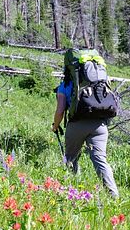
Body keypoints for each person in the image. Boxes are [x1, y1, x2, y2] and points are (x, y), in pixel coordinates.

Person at [51, 52, 119, 197]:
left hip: (77, 124)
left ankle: (71, 190)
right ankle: (113, 195)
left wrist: (55, 126)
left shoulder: (65, 86)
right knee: (100, 160)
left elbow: (60, 111)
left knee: (70, 157)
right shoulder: (101, 81)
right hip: (100, 125)